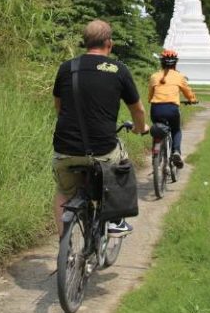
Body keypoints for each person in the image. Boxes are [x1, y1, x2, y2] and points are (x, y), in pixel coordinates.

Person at [52, 20, 149, 238]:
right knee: (122, 157)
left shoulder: (67, 68)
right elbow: (138, 110)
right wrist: (140, 129)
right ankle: (115, 220)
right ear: (109, 43)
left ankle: (64, 248)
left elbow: (59, 106)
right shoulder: (118, 70)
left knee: (63, 192)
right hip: (103, 151)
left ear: (85, 43)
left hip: (65, 149)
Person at [148, 49, 197, 168]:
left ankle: (156, 150)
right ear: (175, 63)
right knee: (176, 130)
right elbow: (188, 92)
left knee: (157, 129)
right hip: (172, 109)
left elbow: (150, 95)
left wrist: (151, 100)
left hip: (156, 109)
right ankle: (176, 152)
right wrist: (192, 100)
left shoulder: (154, 76)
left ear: (162, 63)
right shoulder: (179, 77)